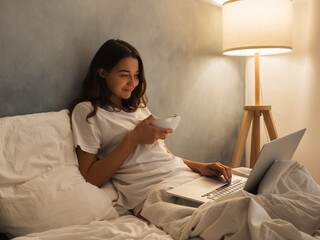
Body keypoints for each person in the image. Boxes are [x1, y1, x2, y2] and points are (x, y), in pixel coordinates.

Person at [70, 39, 232, 230]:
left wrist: (201, 167)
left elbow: (164, 156)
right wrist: (132, 139)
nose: (133, 83)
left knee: (256, 189)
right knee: (229, 217)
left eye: (136, 75)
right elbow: (90, 177)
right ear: (103, 72)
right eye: (124, 75)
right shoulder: (88, 112)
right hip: (153, 192)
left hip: (184, 178)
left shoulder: (139, 108)